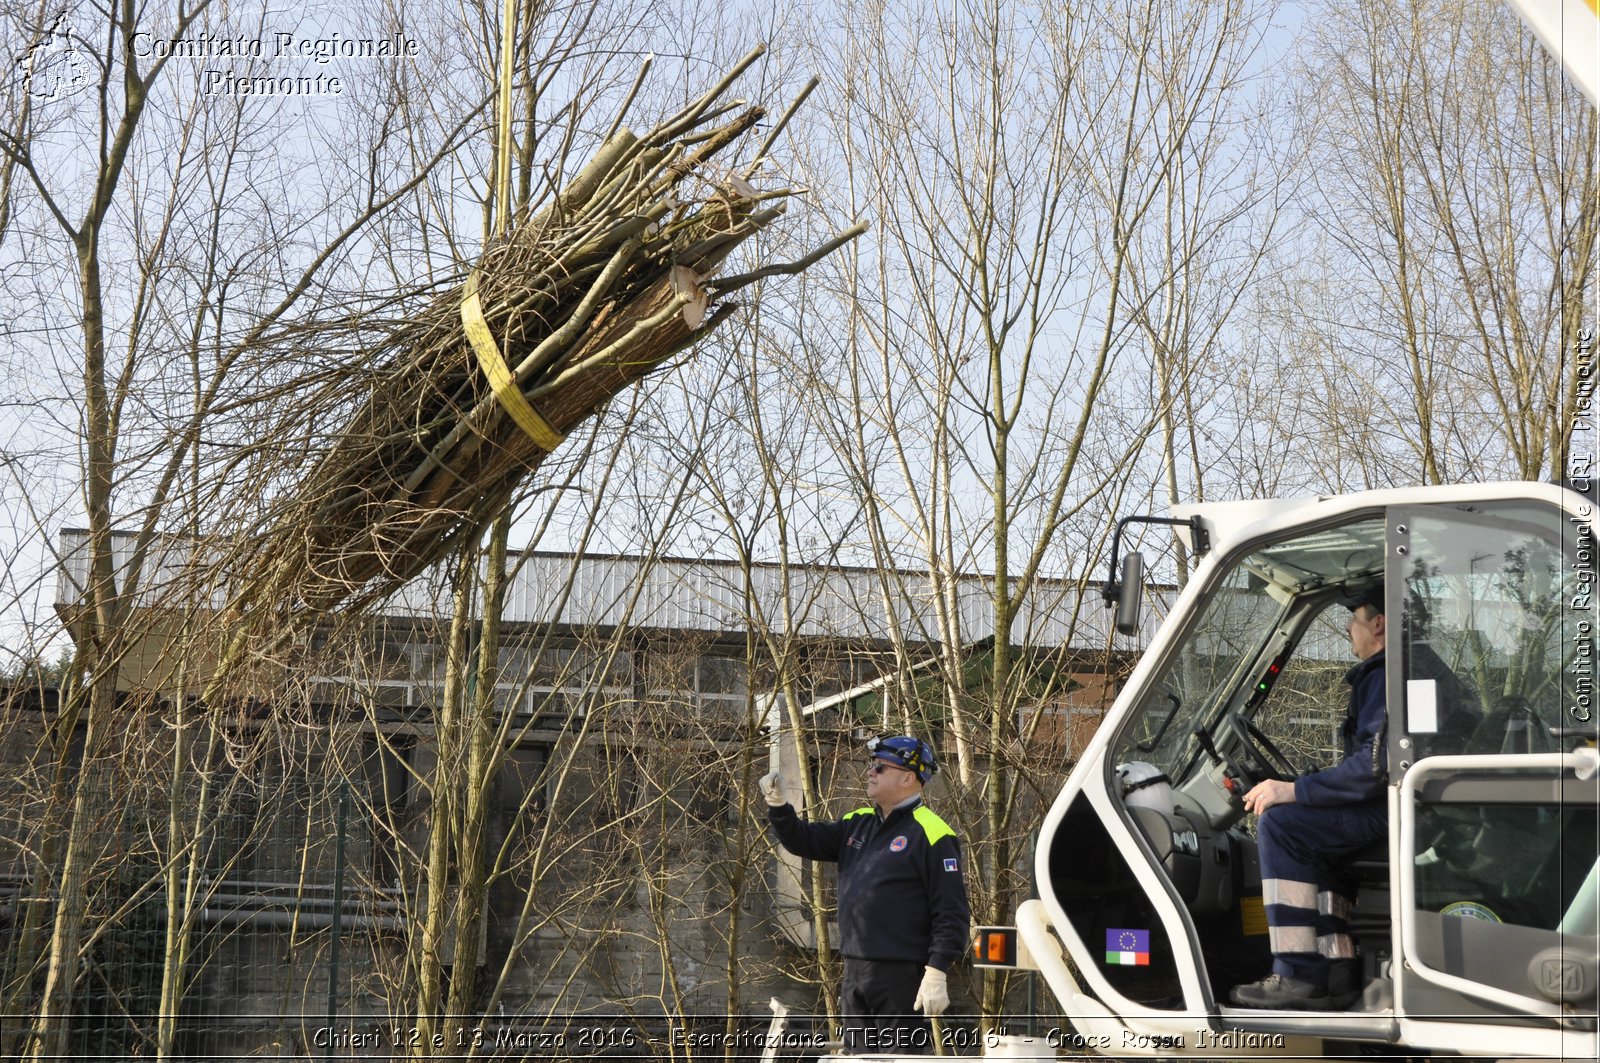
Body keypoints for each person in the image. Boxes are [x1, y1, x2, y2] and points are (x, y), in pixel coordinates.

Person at [761, 735, 970, 1055]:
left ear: (907, 777)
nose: (870, 772)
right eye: (871, 766)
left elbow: (951, 911)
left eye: (880, 767)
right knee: (856, 1059)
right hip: (854, 969)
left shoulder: (933, 833)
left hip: (901, 976)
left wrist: (937, 969)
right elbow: (803, 841)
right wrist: (779, 807)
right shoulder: (856, 824)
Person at [1230, 589, 1388, 1010]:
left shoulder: (1387, 677)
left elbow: (1373, 768)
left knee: (1283, 826)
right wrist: (1306, 786)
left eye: (1353, 619)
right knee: (1310, 832)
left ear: (1379, 623)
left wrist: (1294, 790)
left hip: (1386, 814)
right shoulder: (1388, 676)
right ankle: (1339, 973)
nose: (1348, 630)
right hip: (1399, 810)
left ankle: (1297, 973)